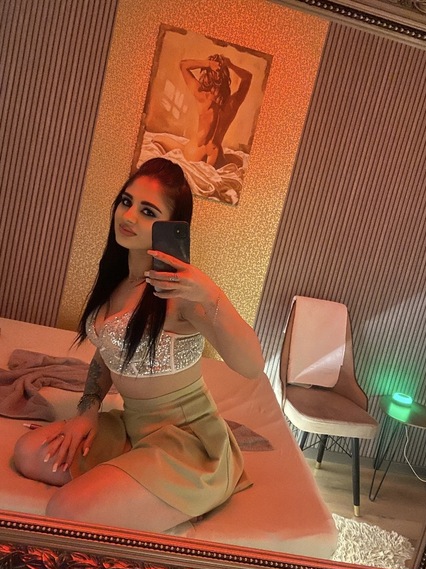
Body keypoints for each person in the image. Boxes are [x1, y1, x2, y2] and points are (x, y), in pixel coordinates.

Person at [13, 157, 264, 533]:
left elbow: (252, 365)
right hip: (133, 429)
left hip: (186, 443)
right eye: (126, 201)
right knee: (29, 453)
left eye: (148, 211)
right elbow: (108, 351)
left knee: (66, 510)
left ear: (171, 226)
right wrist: (87, 412)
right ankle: (134, 475)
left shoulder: (180, 295)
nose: (128, 216)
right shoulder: (117, 280)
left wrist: (212, 295)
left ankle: (183, 494)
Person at [153, 54, 252, 169]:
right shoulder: (232, 103)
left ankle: (162, 141)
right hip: (216, 156)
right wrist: (230, 65)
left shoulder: (202, 95)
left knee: (162, 140)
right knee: (236, 159)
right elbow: (248, 77)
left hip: (195, 152)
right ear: (226, 75)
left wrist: (208, 64)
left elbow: (183, 65)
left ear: (207, 74)